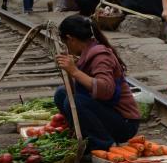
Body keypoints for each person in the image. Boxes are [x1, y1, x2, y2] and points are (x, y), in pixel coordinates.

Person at [54, 15, 140, 152]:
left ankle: (106, 145)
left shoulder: (100, 56)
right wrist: (70, 72)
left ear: (71, 39)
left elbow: (105, 90)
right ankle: (83, 136)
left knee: (76, 102)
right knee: (61, 94)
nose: (65, 47)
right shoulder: (86, 53)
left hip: (125, 123)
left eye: (65, 43)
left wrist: (75, 72)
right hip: (108, 113)